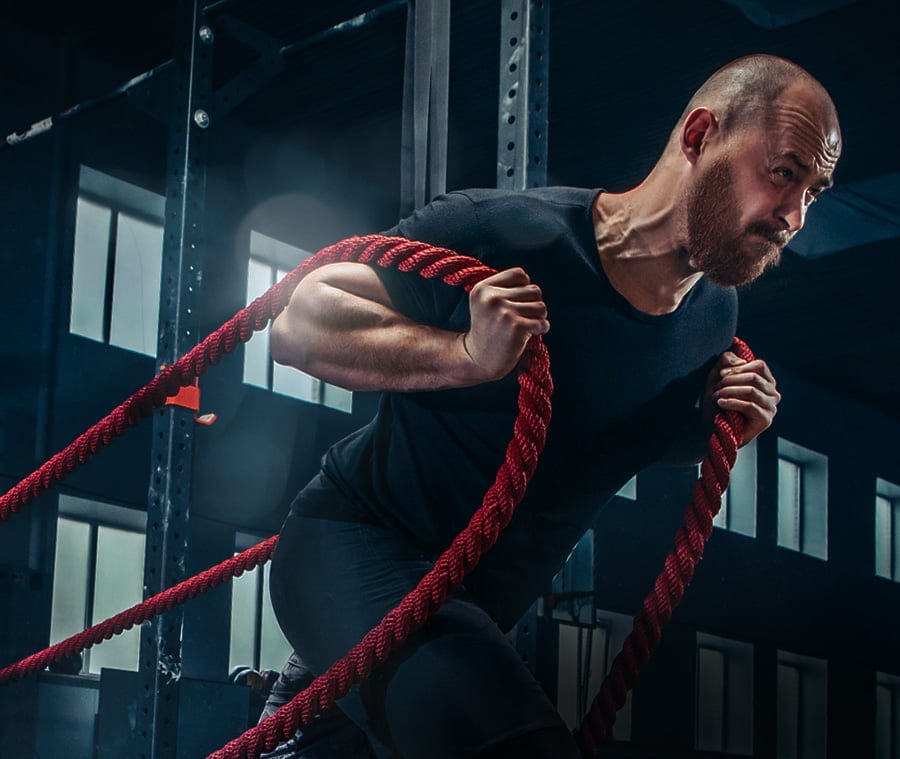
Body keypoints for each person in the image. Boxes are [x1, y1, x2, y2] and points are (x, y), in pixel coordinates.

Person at [263, 54, 841, 758]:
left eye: (815, 190)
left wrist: (726, 422)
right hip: (352, 544)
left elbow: (610, 425)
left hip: (469, 611)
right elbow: (302, 323)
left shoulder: (712, 321)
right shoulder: (502, 233)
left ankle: (307, 706)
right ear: (698, 137)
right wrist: (465, 356)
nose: (795, 214)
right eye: (784, 172)